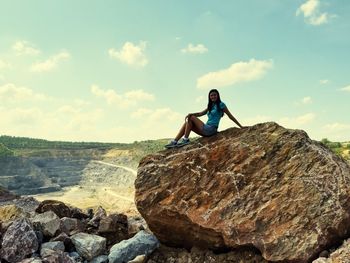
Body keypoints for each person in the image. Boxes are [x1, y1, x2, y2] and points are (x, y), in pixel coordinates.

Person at [165, 89, 243, 148]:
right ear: (209, 97)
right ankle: (175, 141)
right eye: (211, 95)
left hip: (211, 129)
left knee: (191, 118)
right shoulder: (210, 105)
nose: (213, 96)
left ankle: (185, 140)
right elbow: (200, 113)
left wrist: (241, 127)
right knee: (188, 123)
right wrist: (191, 113)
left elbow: (230, 116)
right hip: (206, 129)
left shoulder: (221, 105)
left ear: (218, 95)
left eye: (214, 95)